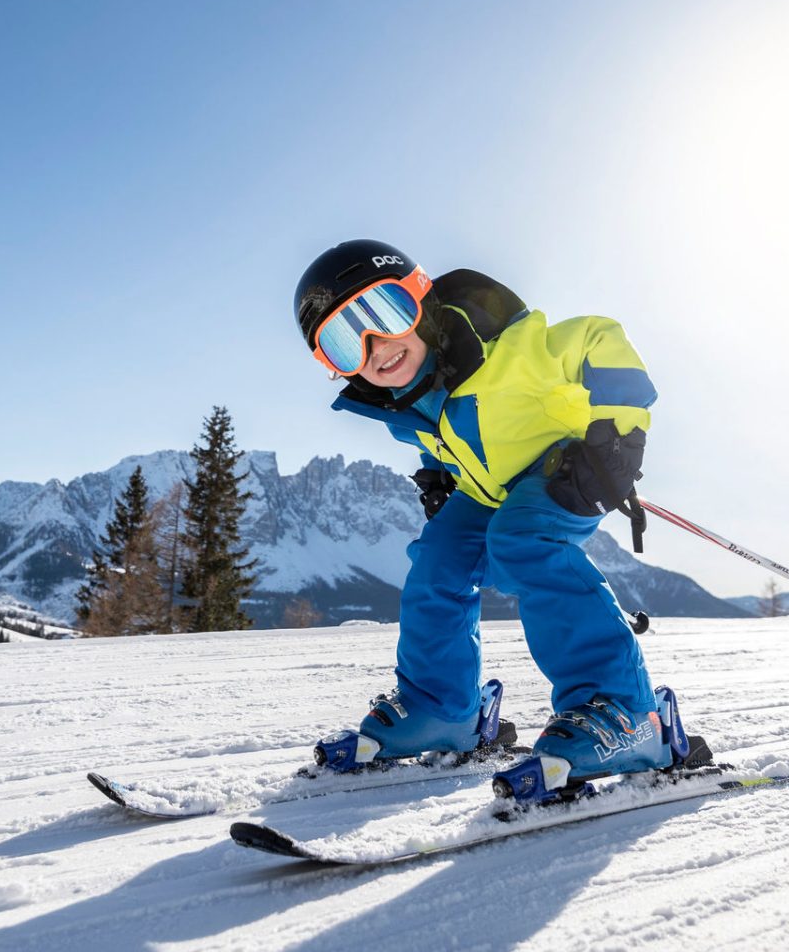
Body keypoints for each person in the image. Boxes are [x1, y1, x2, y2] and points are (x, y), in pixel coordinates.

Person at [294, 239, 685, 795]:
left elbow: (600, 336)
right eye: (341, 342)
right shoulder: (406, 401)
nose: (373, 346)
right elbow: (451, 439)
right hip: (487, 491)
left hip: (564, 469)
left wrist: (618, 433)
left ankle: (627, 715)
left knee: (523, 537)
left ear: (420, 299)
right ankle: (443, 708)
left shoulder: (510, 347)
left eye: (382, 312)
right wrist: (439, 474)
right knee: (435, 564)